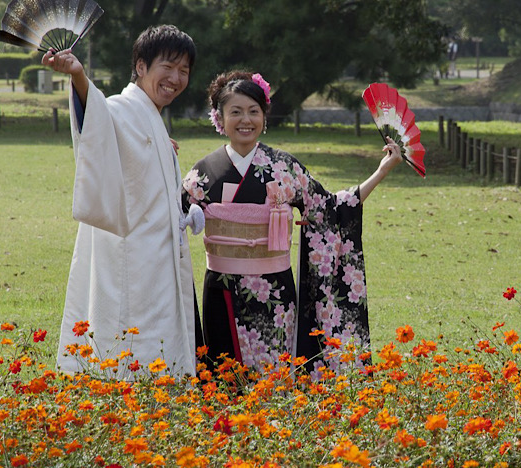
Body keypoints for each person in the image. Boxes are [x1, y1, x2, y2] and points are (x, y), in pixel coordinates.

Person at [182, 71, 402, 376]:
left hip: (275, 293)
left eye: (253, 111)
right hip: (222, 292)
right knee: (225, 379)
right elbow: (169, 216)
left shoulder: (285, 168)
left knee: (276, 378)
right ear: (219, 117)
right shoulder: (203, 172)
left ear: (264, 116)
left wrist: (381, 172)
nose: (245, 120)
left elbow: (330, 207)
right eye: (235, 112)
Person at [42, 25, 202, 379]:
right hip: (131, 253)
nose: (175, 79)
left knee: (157, 340)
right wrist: (80, 77)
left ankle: (158, 391)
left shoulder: (149, 117)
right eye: (168, 67)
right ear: (141, 66)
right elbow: (97, 118)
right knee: (129, 339)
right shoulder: (121, 108)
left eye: (184, 71)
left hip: (159, 253)